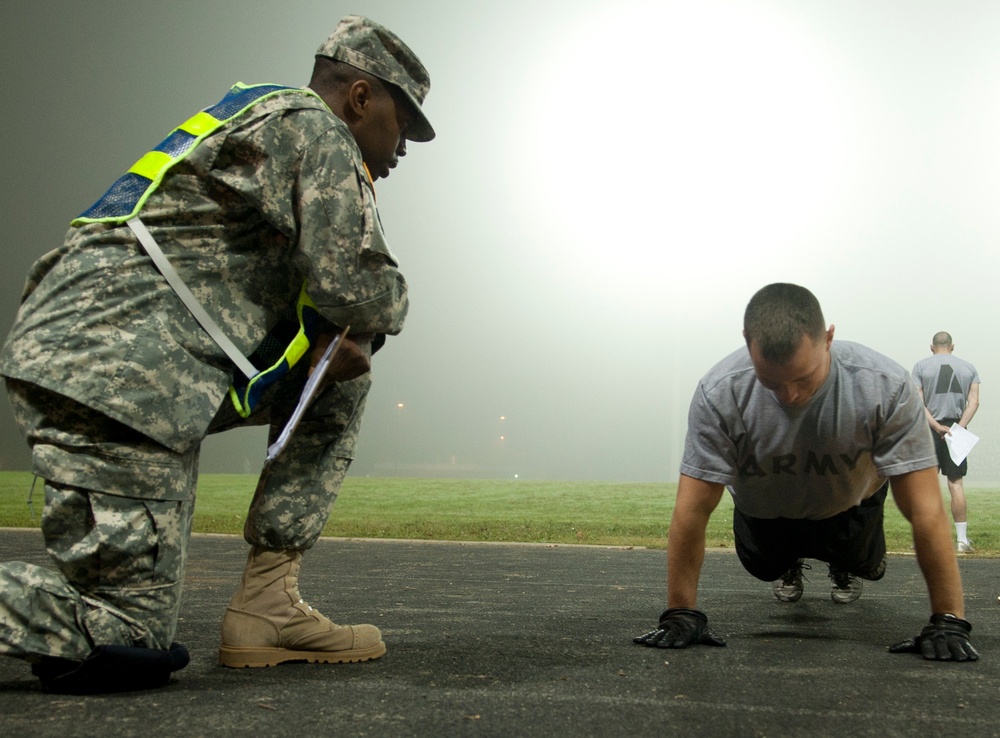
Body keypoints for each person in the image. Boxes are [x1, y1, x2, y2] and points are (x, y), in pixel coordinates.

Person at [0, 15, 435, 693]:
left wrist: (331, 342)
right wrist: (380, 313)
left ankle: (268, 603)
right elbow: (359, 288)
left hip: (128, 369)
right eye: (402, 122)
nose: (403, 147)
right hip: (117, 375)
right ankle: (244, 606)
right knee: (126, 636)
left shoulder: (260, 115)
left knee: (336, 375)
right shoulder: (317, 130)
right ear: (359, 98)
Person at [634, 283, 978, 662]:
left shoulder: (885, 387)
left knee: (863, 563)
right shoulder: (720, 392)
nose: (790, 397)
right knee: (763, 566)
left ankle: (841, 561)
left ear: (828, 338)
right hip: (765, 511)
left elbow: (926, 509)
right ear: (748, 343)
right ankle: (790, 563)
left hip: (850, 505)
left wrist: (948, 618)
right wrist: (680, 611)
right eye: (772, 382)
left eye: (803, 378)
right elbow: (693, 509)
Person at [912, 332, 981, 553]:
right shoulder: (969, 368)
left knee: (928, 485)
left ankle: (928, 540)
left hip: (928, 427)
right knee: (956, 484)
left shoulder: (921, 366)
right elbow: (974, 402)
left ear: (932, 347)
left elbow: (917, 402)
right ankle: (962, 541)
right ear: (953, 346)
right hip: (957, 426)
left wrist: (935, 426)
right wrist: (958, 427)